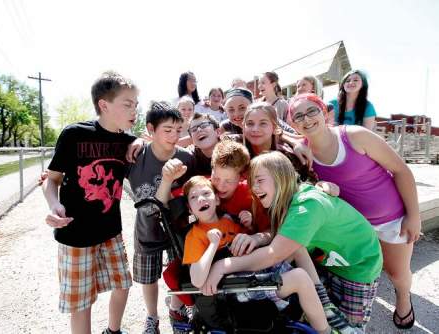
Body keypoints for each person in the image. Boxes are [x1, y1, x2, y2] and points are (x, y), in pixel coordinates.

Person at [201, 151, 383, 330]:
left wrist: (223, 266)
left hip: (359, 267)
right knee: (328, 315)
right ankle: (326, 306)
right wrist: (257, 238)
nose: (254, 188)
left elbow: (273, 254)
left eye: (260, 180)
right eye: (252, 182)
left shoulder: (307, 206)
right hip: (332, 262)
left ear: (281, 177)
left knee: (351, 327)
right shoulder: (288, 200)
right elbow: (286, 239)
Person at [288, 93, 421, 330]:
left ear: (325, 112)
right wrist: (296, 143)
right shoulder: (303, 154)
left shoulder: (355, 136)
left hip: (390, 220)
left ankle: (403, 297)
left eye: (312, 111)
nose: (306, 119)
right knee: (367, 272)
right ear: (294, 124)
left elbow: (401, 170)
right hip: (352, 229)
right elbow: (279, 135)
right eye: (298, 116)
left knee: (397, 273)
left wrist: (414, 215)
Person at [160, 174, 353, 334]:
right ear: (190, 208)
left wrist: (251, 227)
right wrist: (213, 245)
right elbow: (196, 279)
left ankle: (325, 306)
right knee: (299, 277)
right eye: (194, 197)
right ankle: (326, 330)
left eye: (206, 193)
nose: (201, 199)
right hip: (234, 291)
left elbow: (252, 250)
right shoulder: (196, 236)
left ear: (217, 199)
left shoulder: (229, 222)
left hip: (251, 274)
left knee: (297, 248)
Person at [42, 71, 137, 334]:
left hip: (110, 230)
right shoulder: (74, 134)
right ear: (104, 105)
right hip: (75, 233)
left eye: (136, 104)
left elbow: (150, 144)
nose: (134, 110)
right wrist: (53, 205)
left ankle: (113, 330)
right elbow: (51, 180)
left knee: (123, 284)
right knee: (81, 303)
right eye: (127, 104)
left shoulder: (127, 141)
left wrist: (140, 140)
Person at [127, 101, 196, 334]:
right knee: (148, 277)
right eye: (167, 130)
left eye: (178, 130)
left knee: (181, 271)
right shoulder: (134, 157)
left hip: (178, 229)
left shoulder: (187, 159)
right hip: (147, 227)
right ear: (150, 129)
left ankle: (178, 310)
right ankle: (152, 317)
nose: (174, 136)